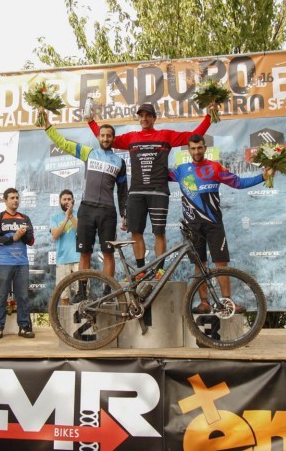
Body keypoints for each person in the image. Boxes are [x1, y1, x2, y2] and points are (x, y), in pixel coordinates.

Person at [87, 101, 215, 278]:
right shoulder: (131, 137)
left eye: (148, 115)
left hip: (158, 192)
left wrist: (209, 116)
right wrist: (90, 122)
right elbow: (106, 137)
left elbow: (193, 136)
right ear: (139, 118)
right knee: (136, 233)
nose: (145, 118)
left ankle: (159, 270)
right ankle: (141, 270)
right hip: (137, 193)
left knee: (159, 232)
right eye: (142, 115)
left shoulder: (166, 135)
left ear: (154, 118)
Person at [169, 134, 274, 312]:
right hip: (193, 225)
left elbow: (238, 183)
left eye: (199, 148)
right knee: (199, 264)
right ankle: (204, 303)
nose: (196, 151)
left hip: (214, 223)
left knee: (221, 263)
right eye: (193, 148)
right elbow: (156, 173)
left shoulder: (214, 167)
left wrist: (263, 177)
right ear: (189, 150)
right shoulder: (181, 169)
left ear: (204, 148)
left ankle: (227, 302)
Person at [43, 112, 126, 286]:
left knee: (108, 253)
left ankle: (108, 292)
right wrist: (48, 127)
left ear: (113, 138)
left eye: (108, 136)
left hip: (107, 211)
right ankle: (82, 291)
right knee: (85, 253)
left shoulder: (120, 162)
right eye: (102, 135)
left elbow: (123, 190)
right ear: (98, 137)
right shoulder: (88, 153)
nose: (105, 138)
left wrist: (124, 214)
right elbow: (63, 143)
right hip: (87, 208)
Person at [0, 188, 35, 340]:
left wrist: (24, 234)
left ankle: (25, 326)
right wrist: (12, 238)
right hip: (4, 263)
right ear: (5, 200)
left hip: (22, 263)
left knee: (23, 296)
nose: (15, 200)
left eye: (17, 198)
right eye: (12, 198)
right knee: (1, 296)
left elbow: (31, 241)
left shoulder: (25, 218)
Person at [49, 189, 81, 305]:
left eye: (69, 199)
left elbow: (81, 232)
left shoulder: (80, 214)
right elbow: (55, 235)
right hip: (62, 260)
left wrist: (71, 215)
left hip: (79, 259)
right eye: (64, 199)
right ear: (59, 202)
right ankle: (64, 323)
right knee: (64, 296)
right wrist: (66, 218)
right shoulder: (55, 217)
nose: (67, 202)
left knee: (81, 296)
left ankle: (82, 322)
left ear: (73, 201)